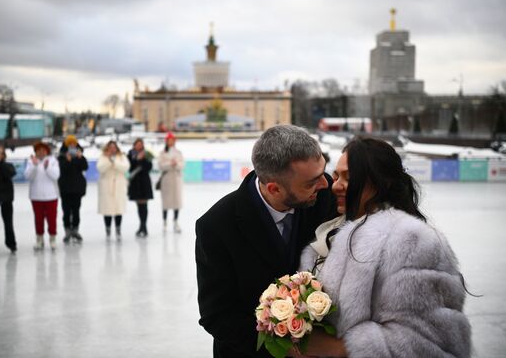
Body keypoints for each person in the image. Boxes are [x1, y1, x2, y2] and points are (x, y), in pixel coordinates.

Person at [299, 137, 471, 358]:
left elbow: (433, 341)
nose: (336, 186)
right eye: (336, 176)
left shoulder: (411, 241)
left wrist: (340, 348)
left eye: (349, 178)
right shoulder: (330, 232)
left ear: (382, 182)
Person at [195, 125, 337, 358]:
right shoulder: (217, 225)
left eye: (322, 171)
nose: (324, 184)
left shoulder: (324, 194)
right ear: (274, 188)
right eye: (311, 182)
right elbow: (217, 316)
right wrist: (287, 348)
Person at [24, 141, 60, 251]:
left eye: (43, 150)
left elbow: (56, 176)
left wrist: (47, 167)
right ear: (35, 152)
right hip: (36, 196)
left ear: (47, 151)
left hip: (51, 196)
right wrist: (34, 166)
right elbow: (28, 177)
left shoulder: (53, 161)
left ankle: (52, 239)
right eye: (38, 150)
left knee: (52, 219)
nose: (41, 152)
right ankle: (39, 239)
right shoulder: (31, 161)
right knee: (38, 219)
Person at [58, 135, 88, 243]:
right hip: (65, 188)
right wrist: (68, 160)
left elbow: (85, 166)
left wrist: (80, 157)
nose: (71, 145)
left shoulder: (79, 155)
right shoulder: (62, 156)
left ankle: (75, 230)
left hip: (77, 189)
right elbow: (62, 168)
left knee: (76, 211)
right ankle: (67, 231)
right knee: (66, 211)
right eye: (69, 143)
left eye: (73, 143)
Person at [97, 140, 130, 239]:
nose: (112, 149)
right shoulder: (103, 157)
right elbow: (100, 168)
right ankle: (107, 229)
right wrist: (109, 160)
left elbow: (125, 168)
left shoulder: (122, 157)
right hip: (106, 186)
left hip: (119, 186)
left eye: (114, 147)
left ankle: (118, 229)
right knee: (107, 209)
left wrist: (114, 162)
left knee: (118, 209)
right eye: (110, 147)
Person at [158, 132, 184, 233]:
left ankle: (175, 222)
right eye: (169, 140)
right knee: (166, 203)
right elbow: (161, 165)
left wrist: (176, 164)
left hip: (176, 179)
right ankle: (164, 222)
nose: (171, 142)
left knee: (176, 202)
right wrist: (170, 164)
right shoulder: (162, 153)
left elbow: (182, 164)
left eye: (172, 140)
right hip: (167, 179)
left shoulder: (178, 152)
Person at [127, 138, 154, 237]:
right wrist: (137, 159)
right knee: (139, 206)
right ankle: (142, 226)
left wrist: (142, 159)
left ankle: (144, 226)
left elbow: (149, 167)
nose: (139, 146)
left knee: (144, 206)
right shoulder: (130, 154)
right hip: (135, 183)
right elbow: (129, 167)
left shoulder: (146, 154)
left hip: (144, 183)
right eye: (137, 144)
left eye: (140, 144)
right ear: (134, 145)